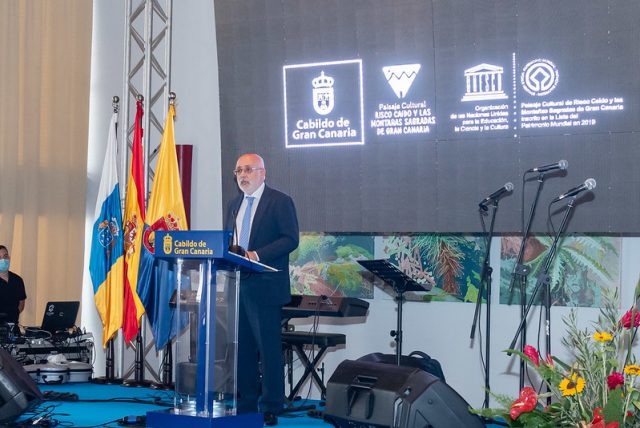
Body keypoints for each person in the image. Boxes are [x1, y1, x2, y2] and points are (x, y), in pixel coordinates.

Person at [225, 153, 299, 426]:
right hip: (238, 285)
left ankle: (270, 406)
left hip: (266, 286)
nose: (243, 175)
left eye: (249, 170)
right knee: (242, 349)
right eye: (239, 171)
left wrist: (256, 255)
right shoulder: (234, 204)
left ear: (263, 173)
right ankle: (245, 404)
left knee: (268, 350)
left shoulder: (279, 201)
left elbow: (290, 239)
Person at [0, 245, 27, 327]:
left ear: (9, 258)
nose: (3, 260)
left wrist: (13, 316)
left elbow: (21, 303)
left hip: (13, 326)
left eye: (5, 256)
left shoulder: (17, 280)